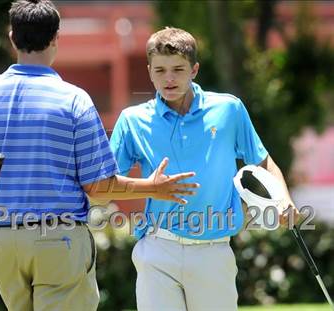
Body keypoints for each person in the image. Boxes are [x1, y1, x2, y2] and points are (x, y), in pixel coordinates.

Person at [0, 3, 199, 310]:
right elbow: (97, 187)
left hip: (5, 244)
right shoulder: (74, 100)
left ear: (12, 38)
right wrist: (152, 187)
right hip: (59, 239)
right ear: (56, 38)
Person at [109, 27, 299, 311]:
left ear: (194, 69)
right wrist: (148, 188)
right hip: (158, 247)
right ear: (149, 72)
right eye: (159, 70)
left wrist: (284, 199)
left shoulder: (229, 109)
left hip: (214, 250)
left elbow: (264, 162)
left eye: (178, 69)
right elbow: (107, 182)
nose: (169, 78)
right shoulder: (132, 120)